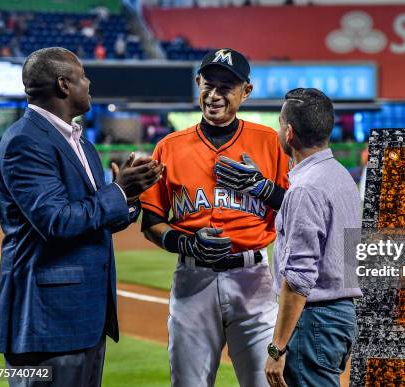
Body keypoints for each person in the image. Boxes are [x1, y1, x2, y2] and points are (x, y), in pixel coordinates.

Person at [0, 47, 164, 387]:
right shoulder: (25, 142)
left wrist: (127, 196)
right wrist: (116, 191)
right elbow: (57, 221)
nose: (89, 83)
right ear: (64, 85)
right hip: (46, 324)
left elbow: (96, 216)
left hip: (85, 318)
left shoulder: (79, 142)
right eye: (83, 76)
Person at [140, 48, 290, 387]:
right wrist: (186, 242)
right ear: (197, 84)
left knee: (266, 382)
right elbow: (150, 221)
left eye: (226, 86)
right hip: (193, 283)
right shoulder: (168, 147)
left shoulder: (270, 143)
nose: (215, 94)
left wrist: (265, 190)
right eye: (209, 84)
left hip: (254, 281)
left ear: (245, 92)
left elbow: (298, 208)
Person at [264, 88, 363, 387]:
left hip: (314, 322)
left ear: (289, 132)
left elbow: (298, 278)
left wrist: (277, 347)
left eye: (280, 123)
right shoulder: (341, 176)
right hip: (340, 316)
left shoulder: (305, 189)